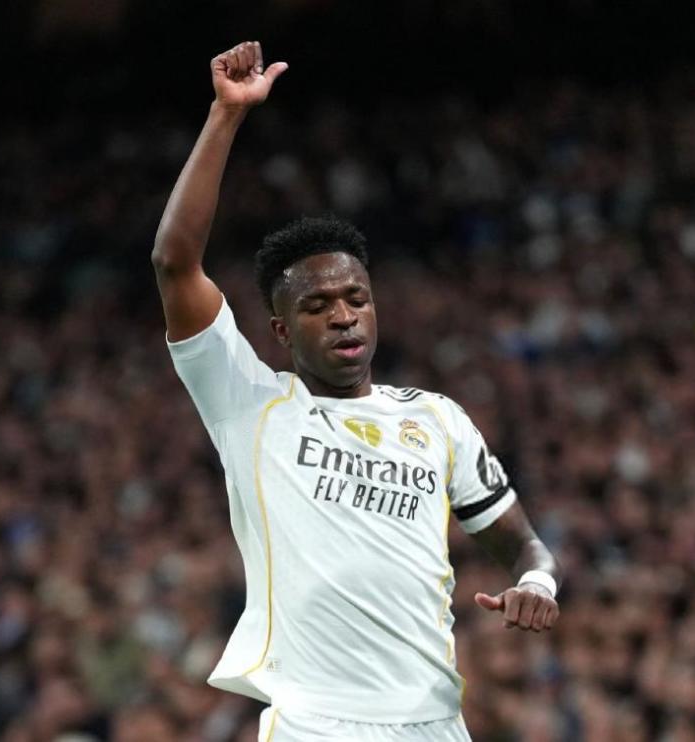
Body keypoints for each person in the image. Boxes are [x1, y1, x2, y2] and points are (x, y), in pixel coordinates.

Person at [152, 41, 561, 742]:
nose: (343, 315)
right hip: (316, 724)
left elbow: (525, 546)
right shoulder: (249, 402)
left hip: (435, 723)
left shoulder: (439, 420)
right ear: (281, 329)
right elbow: (174, 261)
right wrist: (226, 116)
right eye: (318, 306)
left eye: (357, 298)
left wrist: (537, 585)